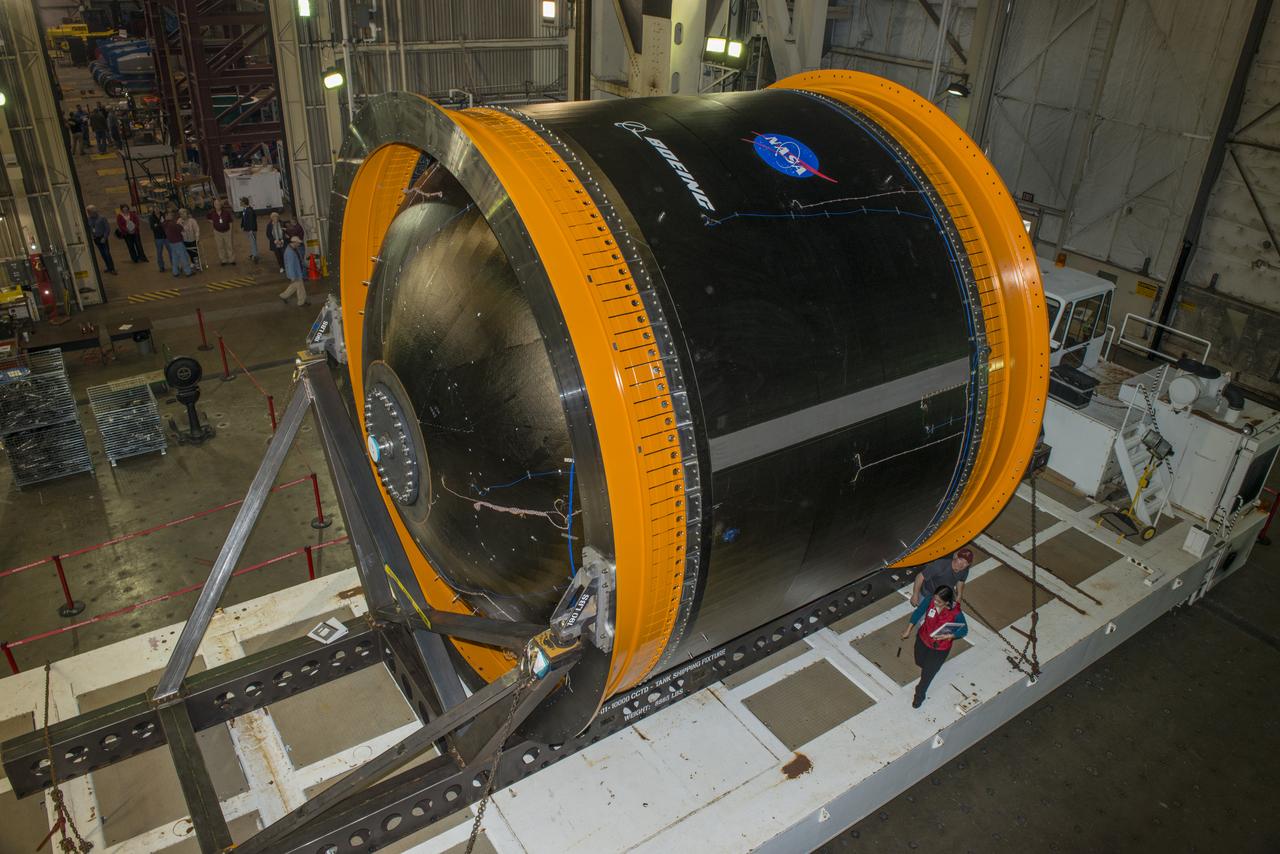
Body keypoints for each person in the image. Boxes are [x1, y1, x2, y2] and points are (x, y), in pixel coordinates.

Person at [900, 584, 968, 708]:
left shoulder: (956, 612)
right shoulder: (930, 600)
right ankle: (927, 669)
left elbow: (964, 630)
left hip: (940, 648)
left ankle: (919, 695)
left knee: (927, 674)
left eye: (939, 601)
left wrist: (949, 636)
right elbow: (918, 612)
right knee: (919, 661)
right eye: (935, 598)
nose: (935, 601)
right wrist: (908, 630)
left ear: (947, 602)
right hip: (923, 639)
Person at [85, 205, 117, 275]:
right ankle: (108, 267)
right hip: (96, 239)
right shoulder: (88, 220)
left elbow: (107, 229)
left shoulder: (102, 218)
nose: (90, 213)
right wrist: (92, 236)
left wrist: (104, 238)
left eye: (91, 212)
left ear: (95, 211)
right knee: (102, 254)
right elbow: (89, 229)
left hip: (103, 238)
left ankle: (112, 269)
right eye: (89, 212)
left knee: (107, 253)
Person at [278, 235, 308, 306]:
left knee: (294, 286)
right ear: (294, 242)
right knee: (300, 287)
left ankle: (283, 296)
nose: (299, 244)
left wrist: (304, 264)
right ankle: (301, 302)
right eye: (298, 243)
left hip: (297, 272)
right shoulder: (290, 253)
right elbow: (290, 266)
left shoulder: (294, 248)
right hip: (295, 273)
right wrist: (293, 277)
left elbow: (299, 258)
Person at [162, 211, 193, 277]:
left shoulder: (165, 224)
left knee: (175, 258)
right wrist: (181, 224)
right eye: (170, 214)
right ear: (166, 216)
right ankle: (188, 272)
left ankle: (175, 272)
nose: (172, 215)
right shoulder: (171, 224)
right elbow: (180, 228)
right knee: (183, 257)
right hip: (178, 242)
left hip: (171, 243)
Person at [207, 198, 235, 265]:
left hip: (227, 231)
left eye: (218, 204)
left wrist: (230, 231)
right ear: (214, 205)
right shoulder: (211, 213)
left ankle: (231, 260)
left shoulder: (226, 212)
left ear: (221, 205)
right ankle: (223, 260)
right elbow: (208, 218)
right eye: (215, 204)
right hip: (217, 232)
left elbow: (230, 222)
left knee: (229, 246)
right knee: (220, 246)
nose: (217, 205)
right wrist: (213, 222)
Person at [146, 205, 169, 272]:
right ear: (153, 210)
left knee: (171, 251)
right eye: (155, 209)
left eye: (158, 208)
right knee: (159, 253)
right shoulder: (151, 217)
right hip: (158, 238)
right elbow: (152, 228)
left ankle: (174, 265)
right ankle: (161, 267)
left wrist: (157, 225)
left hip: (166, 236)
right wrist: (161, 224)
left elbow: (167, 224)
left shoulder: (164, 215)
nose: (157, 210)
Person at [239, 197, 258, 261]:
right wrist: (242, 226)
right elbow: (243, 219)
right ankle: (253, 253)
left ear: (244, 202)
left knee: (253, 242)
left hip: (251, 229)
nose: (240, 203)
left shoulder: (249, 210)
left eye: (241, 202)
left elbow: (251, 221)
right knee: (252, 242)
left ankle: (255, 256)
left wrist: (251, 230)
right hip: (248, 229)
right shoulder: (245, 209)